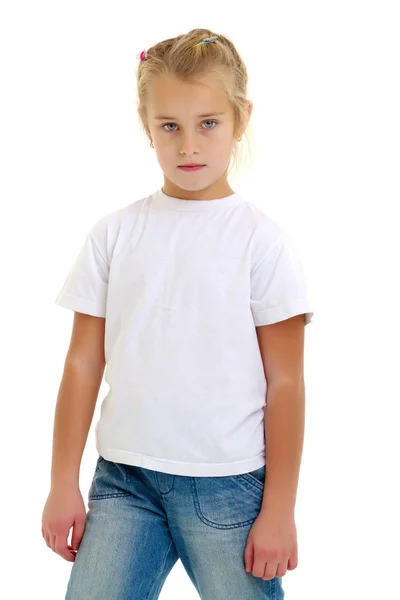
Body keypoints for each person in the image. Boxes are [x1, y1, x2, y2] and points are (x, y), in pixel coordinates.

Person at [41, 28, 314, 600]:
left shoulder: (261, 243)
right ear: (148, 127)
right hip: (124, 482)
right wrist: (62, 482)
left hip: (227, 488)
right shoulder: (115, 234)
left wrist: (280, 508)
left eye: (208, 123)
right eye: (171, 126)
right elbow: (83, 362)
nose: (189, 145)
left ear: (240, 119)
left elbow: (285, 381)